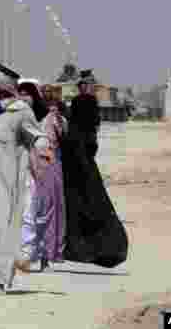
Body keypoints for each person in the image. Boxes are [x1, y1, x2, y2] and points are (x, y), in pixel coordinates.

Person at [0, 63, 53, 294]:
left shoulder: (20, 110)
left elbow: (38, 136)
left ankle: (1, 279)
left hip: (3, 177)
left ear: (1, 84)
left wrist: (43, 149)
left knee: (1, 228)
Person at [60, 73, 129, 268]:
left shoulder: (81, 102)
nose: (89, 89)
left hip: (76, 151)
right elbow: (91, 126)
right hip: (82, 152)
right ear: (83, 87)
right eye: (87, 86)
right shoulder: (86, 101)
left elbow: (85, 125)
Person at [20, 86, 67, 271]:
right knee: (27, 213)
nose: (23, 98)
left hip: (46, 168)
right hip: (24, 168)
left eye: (27, 94)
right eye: (20, 94)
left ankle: (46, 256)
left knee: (45, 211)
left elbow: (59, 139)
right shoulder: (20, 118)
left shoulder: (50, 119)